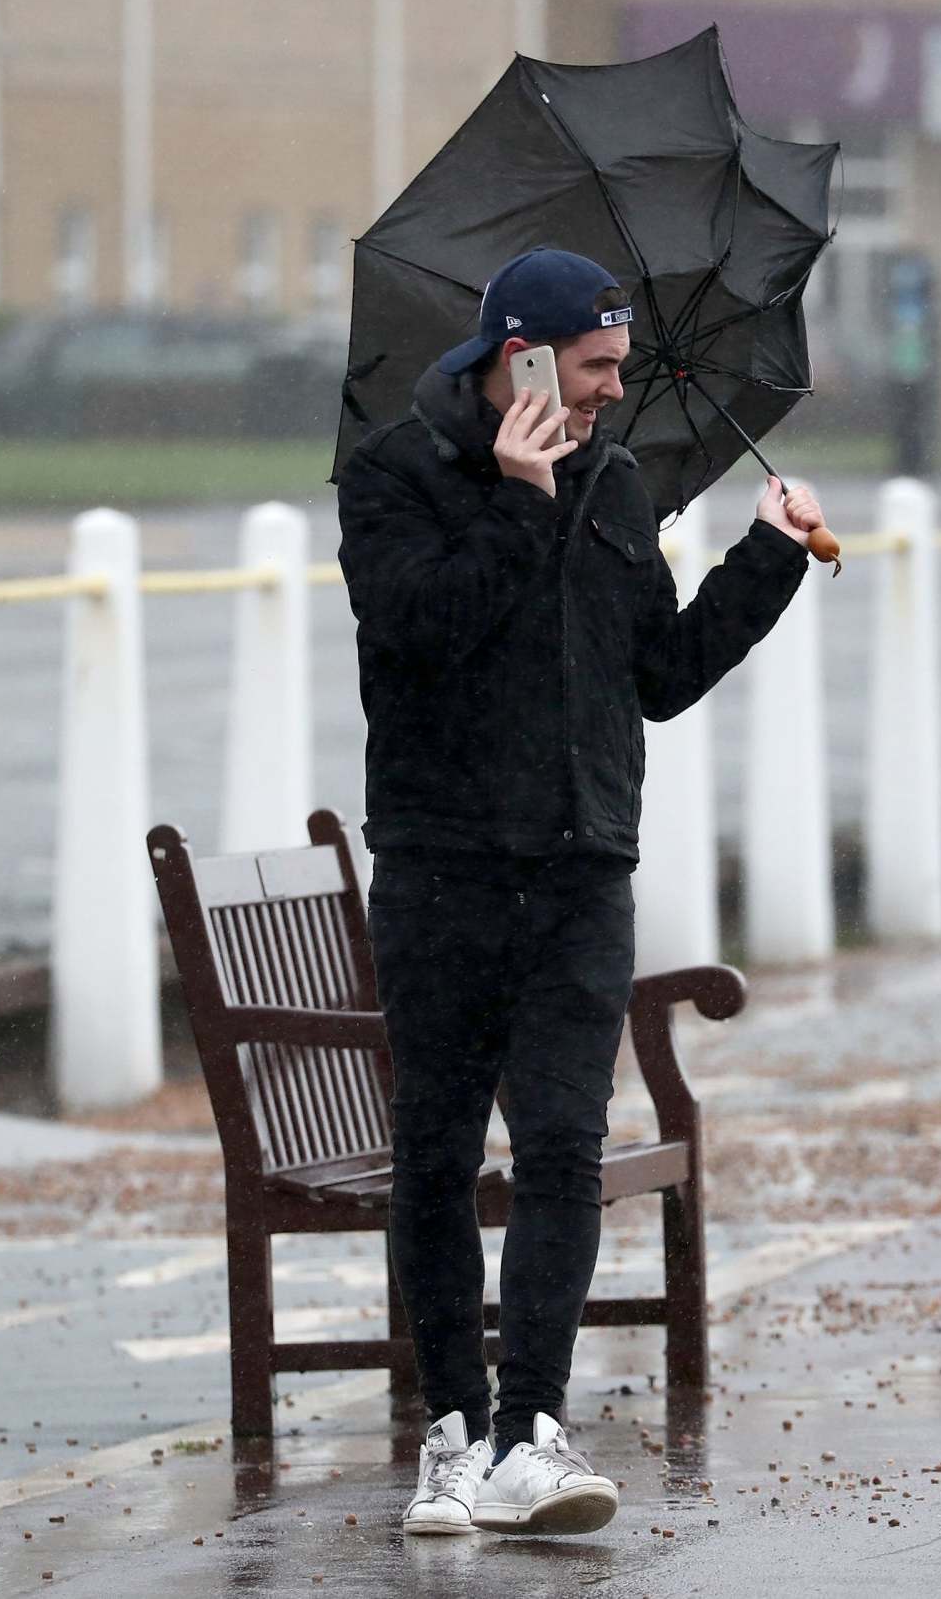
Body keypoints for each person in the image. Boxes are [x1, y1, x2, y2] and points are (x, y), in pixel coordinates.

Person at [335, 247, 826, 1536]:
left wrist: (763, 561)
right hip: (442, 870)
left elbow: (654, 676)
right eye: (597, 368)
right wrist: (511, 499)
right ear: (523, 355)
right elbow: (416, 635)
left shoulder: (618, 480)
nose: (613, 393)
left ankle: (529, 1435)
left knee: (562, 1145)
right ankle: (449, 1436)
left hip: (581, 869)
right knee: (436, 1152)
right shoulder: (393, 476)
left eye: (617, 367)